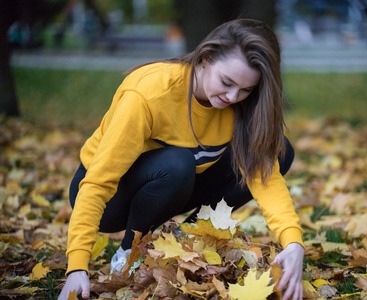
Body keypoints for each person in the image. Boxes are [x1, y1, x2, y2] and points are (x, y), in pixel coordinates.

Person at [58, 18, 305, 300]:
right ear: (205, 59)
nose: (233, 96)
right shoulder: (149, 93)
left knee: (277, 151)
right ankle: (130, 254)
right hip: (110, 199)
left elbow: (265, 179)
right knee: (178, 162)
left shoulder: (242, 105)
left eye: (246, 89)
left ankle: (184, 242)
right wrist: (76, 266)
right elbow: (98, 182)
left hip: (174, 185)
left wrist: (293, 242)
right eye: (227, 82)